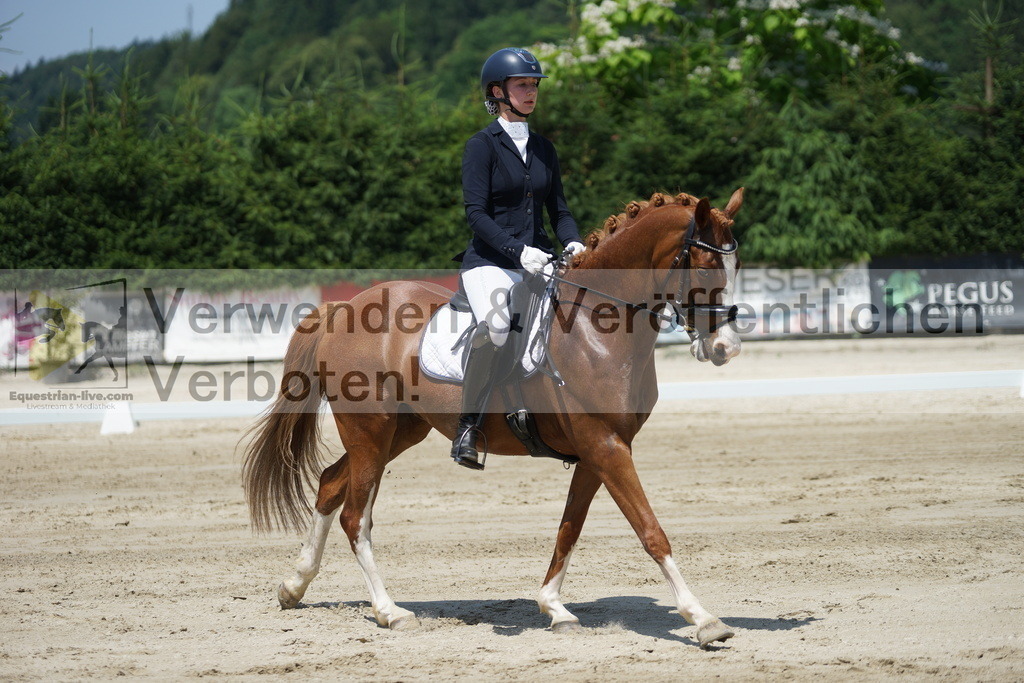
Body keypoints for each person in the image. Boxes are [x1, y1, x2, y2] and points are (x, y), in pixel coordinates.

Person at [450, 47, 585, 470]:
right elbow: (476, 215)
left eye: (535, 85)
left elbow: (558, 210)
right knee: (497, 325)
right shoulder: (481, 146)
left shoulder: (544, 148)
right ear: (498, 91)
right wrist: (517, 251)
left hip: (539, 261)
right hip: (490, 263)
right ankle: (467, 428)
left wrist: (574, 242)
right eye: (522, 84)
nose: (531, 92)